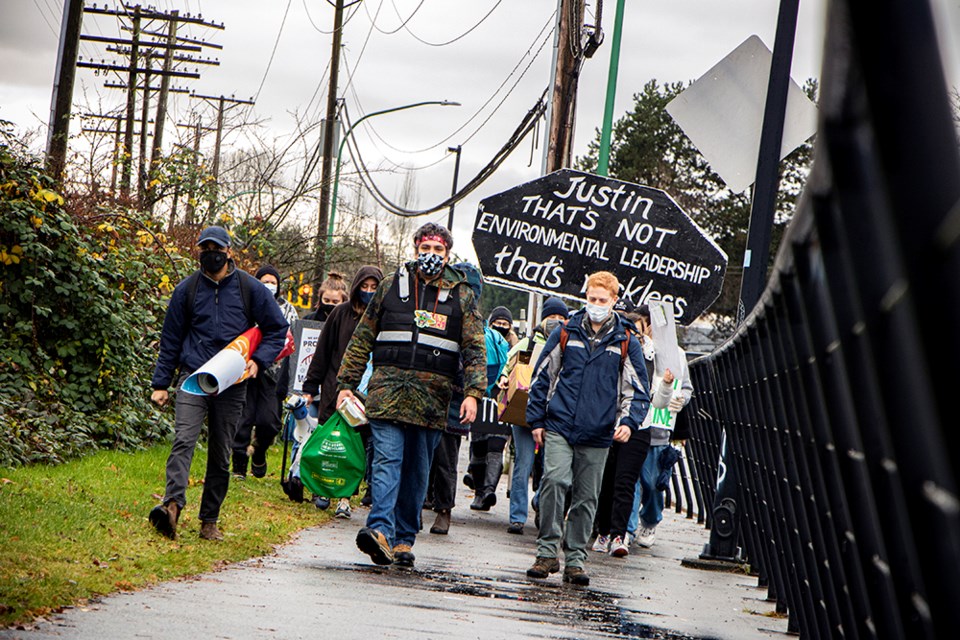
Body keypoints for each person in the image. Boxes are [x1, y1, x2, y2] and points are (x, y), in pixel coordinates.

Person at [336, 223, 486, 568]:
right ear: (415, 248)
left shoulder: (461, 294)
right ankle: (379, 532)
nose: (430, 255)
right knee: (386, 461)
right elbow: (362, 340)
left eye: (438, 250)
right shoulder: (391, 286)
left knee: (418, 471)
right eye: (425, 248)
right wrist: (347, 382)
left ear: (448, 254)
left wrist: (474, 394)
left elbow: (475, 348)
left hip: (431, 402)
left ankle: (403, 538)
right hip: (387, 394)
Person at [149, 226, 290, 541]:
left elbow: (277, 328)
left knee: (220, 450)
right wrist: (161, 383)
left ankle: (209, 521)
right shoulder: (186, 290)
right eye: (204, 248)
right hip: (191, 377)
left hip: (231, 381)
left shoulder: (249, 289)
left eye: (216, 248)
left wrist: (259, 361)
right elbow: (170, 338)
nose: (210, 253)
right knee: (183, 440)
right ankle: (171, 507)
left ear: (229, 252)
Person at [524, 271, 649, 586]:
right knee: (553, 481)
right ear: (586, 297)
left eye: (602, 300)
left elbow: (637, 390)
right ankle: (547, 551)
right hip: (560, 423)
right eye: (591, 299)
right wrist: (536, 420)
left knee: (586, 497)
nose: (595, 305)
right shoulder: (566, 332)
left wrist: (628, 422)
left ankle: (576, 559)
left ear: (614, 301)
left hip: (598, 431)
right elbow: (542, 377)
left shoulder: (625, 340)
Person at [301, 265, 383, 518]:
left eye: (374, 288)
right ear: (356, 287)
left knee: (354, 448)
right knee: (329, 443)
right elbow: (322, 352)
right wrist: (309, 387)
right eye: (364, 287)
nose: (368, 292)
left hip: (367, 392)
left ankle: (345, 497)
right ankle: (323, 488)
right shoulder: (339, 314)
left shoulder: (384, 316)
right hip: (335, 389)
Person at [498, 296, 568, 535]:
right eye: (552, 317)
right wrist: (505, 378)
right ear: (543, 318)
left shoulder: (568, 344)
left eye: (561, 318)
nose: (556, 322)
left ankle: (540, 501)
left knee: (553, 468)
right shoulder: (526, 344)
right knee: (522, 465)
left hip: (554, 416)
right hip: (524, 413)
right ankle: (517, 517)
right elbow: (507, 367)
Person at [626, 307, 693, 549]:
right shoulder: (638, 349)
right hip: (636, 427)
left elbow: (686, 387)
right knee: (631, 480)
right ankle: (628, 527)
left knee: (654, 484)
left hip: (661, 429)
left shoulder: (678, 355)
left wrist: (681, 400)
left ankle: (650, 520)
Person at [426, 261, 484, 536]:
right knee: (420, 455)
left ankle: (444, 509)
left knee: (445, 460)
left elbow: (476, 360)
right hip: (427, 394)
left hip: (454, 399)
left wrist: (471, 393)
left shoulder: (474, 323)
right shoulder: (434, 312)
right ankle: (417, 504)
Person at [231, 264, 299, 480]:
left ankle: (259, 451)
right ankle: (239, 465)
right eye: (264, 281)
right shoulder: (244, 304)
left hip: (273, 374)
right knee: (243, 418)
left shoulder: (288, 310)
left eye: (272, 282)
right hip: (244, 369)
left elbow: (293, 341)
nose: (268, 286)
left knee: (269, 421)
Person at [463, 308, 511, 511]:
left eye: (505, 323)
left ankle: (488, 490)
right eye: (497, 322)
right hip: (481, 400)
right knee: (479, 447)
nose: (501, 326)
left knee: (496, 447)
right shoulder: (483, 341)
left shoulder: (512, 347)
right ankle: (479, 492)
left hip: (500, 402)